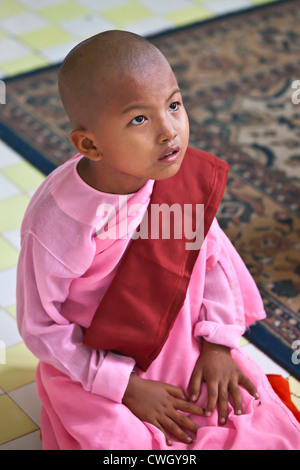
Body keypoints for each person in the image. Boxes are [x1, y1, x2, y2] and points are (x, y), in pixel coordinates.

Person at [16, 30, 300, 450]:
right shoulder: (60, 221)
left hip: (180, 341)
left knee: (241, 410)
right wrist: (122, 386)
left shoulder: (176, 177)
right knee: (120, 441)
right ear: (89, 144)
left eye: (173, 104)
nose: (170, 131)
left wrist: (218, 346)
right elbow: (41, 326)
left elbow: (213, 259)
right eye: (139, 119)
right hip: (99, 361)